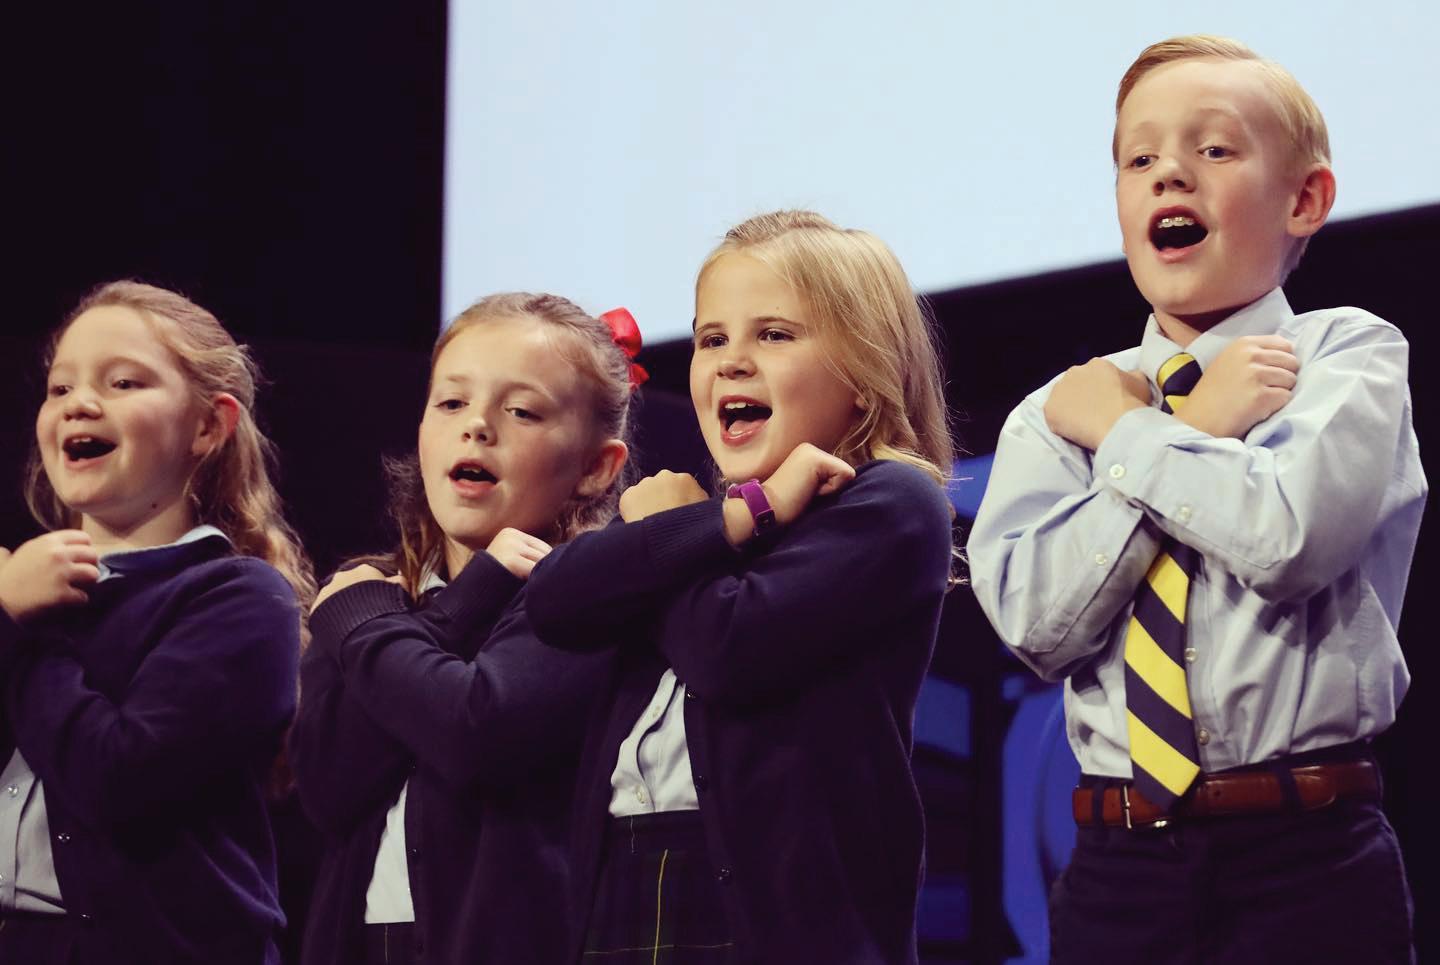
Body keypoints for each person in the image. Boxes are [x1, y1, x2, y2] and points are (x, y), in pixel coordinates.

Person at [967, 35, 1423, 964]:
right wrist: (1191, 427)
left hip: (1309, 853)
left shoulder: (1344, 356)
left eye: (1214, 149)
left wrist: (1133, 436)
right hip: (1117, 867)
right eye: (1140, 160)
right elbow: (1038, 627)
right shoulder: (1059, 412)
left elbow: (1288, 538)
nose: (1170, 173)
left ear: (1305, 200)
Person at [525, 210, 957, 963]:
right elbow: (554, 602)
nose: (730, 362)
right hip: (621, 893)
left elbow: (727, 648)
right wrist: (731, 518)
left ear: (865, 375)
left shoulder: (891, 501)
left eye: (775, 334)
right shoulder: (707, 522)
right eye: (711, 338)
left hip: (777, 921)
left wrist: (674, 530)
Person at [290, 292, 635, 965]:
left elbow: (476, 729)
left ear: (596, 467)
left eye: (522, 411)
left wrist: (376, 626)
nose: (476, 426)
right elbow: (329, 788)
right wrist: (439, 608)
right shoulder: (373, 594)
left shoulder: (586, 594)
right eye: (451, 402)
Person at [0, 280, 313, 964]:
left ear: (207, 426)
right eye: (59, 388)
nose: (80, 403)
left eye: (123, 382)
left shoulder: (239, 597)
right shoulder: (20, 587)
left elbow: (120, 778)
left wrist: (18, 628)